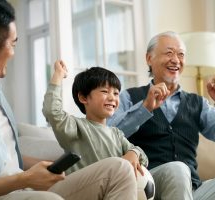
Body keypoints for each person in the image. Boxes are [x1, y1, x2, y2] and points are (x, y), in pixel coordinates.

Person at [0, 0, 138, 200]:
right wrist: (25, 179)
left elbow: (7, 159)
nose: (13, 52)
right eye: (13, 43)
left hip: (22, 187)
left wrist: (44, 168)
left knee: (119, 168)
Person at [107, 31, 215, 200]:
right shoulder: (129, 97)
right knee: (178, 169)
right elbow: (110, 136)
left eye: (181, 54)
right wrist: (145, 107)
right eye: (169, 53)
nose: (176, 60)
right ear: (149, 58)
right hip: (151, 185)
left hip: (194, 189)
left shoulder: (197, 102)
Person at [42, 61, 150, 198]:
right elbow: (52, 111)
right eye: (105, 91)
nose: (112, 97)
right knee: (119, 166)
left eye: (116, 93)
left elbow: (144, 159)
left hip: (113, 190)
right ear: (83, 97)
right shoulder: (75, 126)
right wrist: (58, 75)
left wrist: (133, 152)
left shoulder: (116, 133)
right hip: (85, 191)